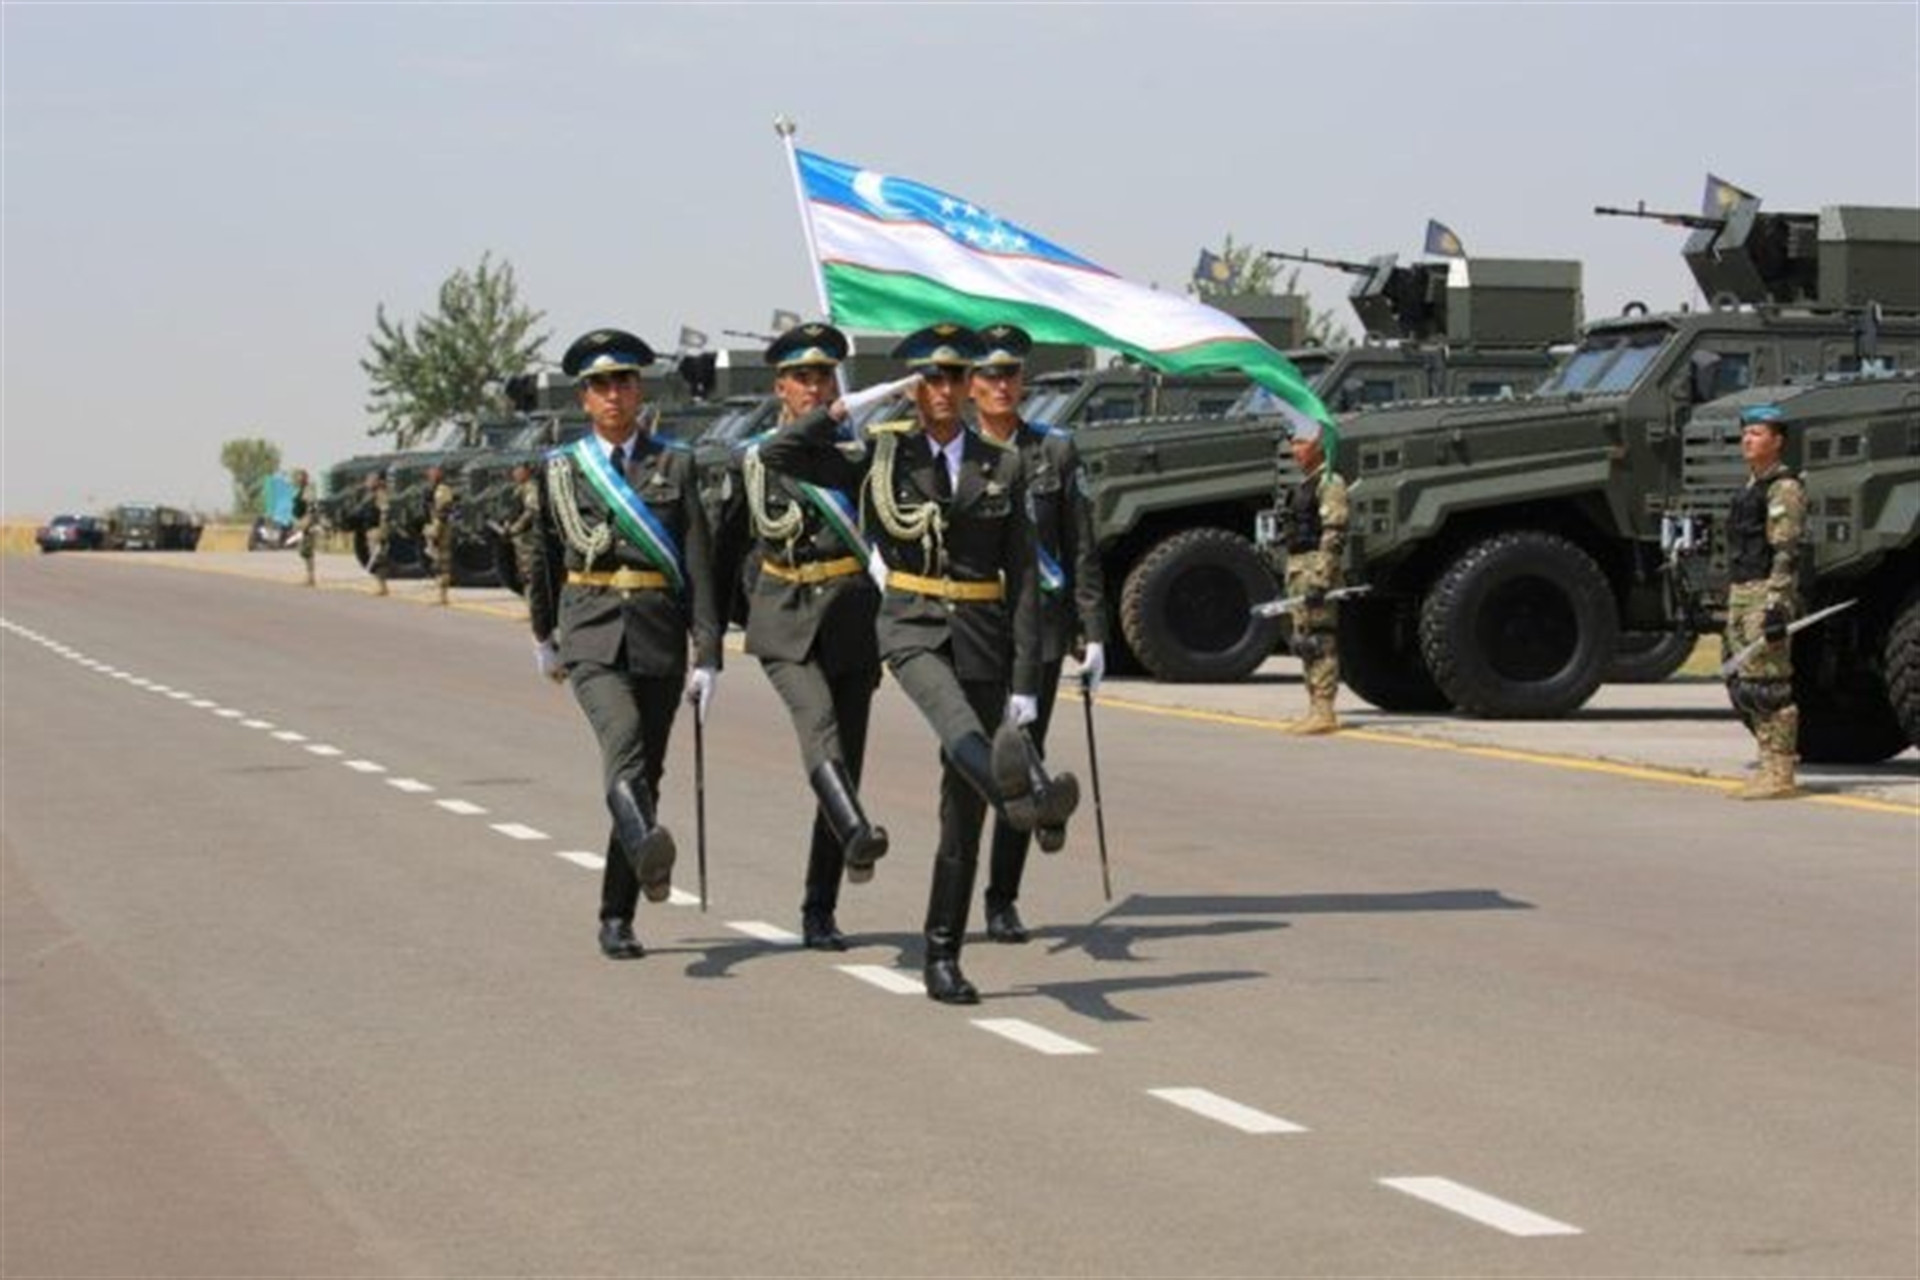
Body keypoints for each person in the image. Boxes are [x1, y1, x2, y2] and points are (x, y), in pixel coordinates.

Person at [760, 323, 1079, 1005]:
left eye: (955, 376)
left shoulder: (1001, 464)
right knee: (953, 718)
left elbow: (1024, 580)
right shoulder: (880, 455)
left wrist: (1027, 682)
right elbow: (779, 452)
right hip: (911, 626)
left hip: (983, 633)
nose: (944, 389)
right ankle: (1023, 797)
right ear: (913, 386)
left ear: (968, 385)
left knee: (962, 817)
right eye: (930, 377)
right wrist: (852, 403)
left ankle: (943, 953)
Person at [525, 328, 722, 959]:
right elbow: (544, 557)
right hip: (591, 632)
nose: (613, 394)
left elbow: (698, 560)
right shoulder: (562, 469)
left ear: (640, 391)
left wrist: (709, 653)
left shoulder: (676, 463)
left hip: (658, 634)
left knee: (646, 777)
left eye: (624, 382)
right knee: (624, 742)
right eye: (600, 385)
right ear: (584, 398)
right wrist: (543, 634)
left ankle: (620, 910)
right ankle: (639, 859)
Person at [736, 322, 889, 950]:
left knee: (846, 761)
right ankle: (856, 831)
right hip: (787, 620)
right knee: (818, 725)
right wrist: (705, 646)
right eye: (802, 377)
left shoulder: (861, 453)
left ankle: (819, 907)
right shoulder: (759, 455)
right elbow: (722, 549)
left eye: (825, 375)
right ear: (781, 386)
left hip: (852, 620)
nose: (815, 386)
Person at [967, 324, 1107, 944]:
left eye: (1011, 374)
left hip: (1042, 633)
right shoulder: (956, 453)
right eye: (990, 375)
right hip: (975, 629)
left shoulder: (1055, 451)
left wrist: (1093, 631)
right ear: (971, 385)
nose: (1002, 385)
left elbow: (1081, 547)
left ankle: (1002, 899)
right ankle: (1043, 802)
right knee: (981, 763)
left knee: (1019, 755)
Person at [1722, 402, 1806, 800]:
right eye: (1745, 433)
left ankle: (1781, 771)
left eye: (1756, 433)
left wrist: (1776, 603)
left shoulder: (1783, 488)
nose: (1747, 440)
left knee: (1771, 685)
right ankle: (1766, 764)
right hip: (1742, 591)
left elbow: (1786, 550)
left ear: (1777, 441)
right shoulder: (1749, 488)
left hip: (1765, 592)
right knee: (1749, 685)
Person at [1278, 415, 1349, 734]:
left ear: (1319, 445)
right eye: (1293, 443)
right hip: (1298, 568)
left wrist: (1321, 577)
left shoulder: (1330, 481)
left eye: (1301, 443)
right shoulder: (1305, 484)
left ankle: (1325, 711)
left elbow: (1334, 531)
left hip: (1315, 568)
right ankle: (1313, 708)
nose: (1295, 449)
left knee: (1320, 640)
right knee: (1304, 640)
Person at [504, 460, 543, 591]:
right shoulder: (519, 488)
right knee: (523, 571)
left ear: (526, 471)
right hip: (521, 539)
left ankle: (532, 597)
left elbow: (531, 511)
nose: (515, 473)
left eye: (518, 469)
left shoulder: (530, 488)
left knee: (529, 572)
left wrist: (516, 528)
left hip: (528, 537)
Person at [423, 463, 456, 606]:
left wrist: (435, 528)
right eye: (430, 472)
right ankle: (440, 594)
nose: (430, 475)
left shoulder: (443, 489)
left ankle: (443, 595)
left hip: (442, 528)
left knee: (443, 561)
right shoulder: (432, 489)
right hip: (434, 525)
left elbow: (443, 511)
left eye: (434, 472)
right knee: (436, 560)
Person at [364, 471, 392, 597]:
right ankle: (380, 585)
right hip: (371, 530)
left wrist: (382, 531)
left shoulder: (381, 495)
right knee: (375, 558)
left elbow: (385, 514)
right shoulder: (372, 495)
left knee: (379, 559)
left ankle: (382, 587)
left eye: (370, 480)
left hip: (377, 530)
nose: (367, 483)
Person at [291, 467, 318, 587]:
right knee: (303, 550)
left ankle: (310, 576)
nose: (298, 479)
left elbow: (311, 508)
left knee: (307, 550)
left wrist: (307, 523)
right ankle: (309, 575)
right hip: (300, 521)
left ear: (305, 478)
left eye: (300, 477)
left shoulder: (309, 490)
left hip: (307, 522)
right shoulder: (299, 490)